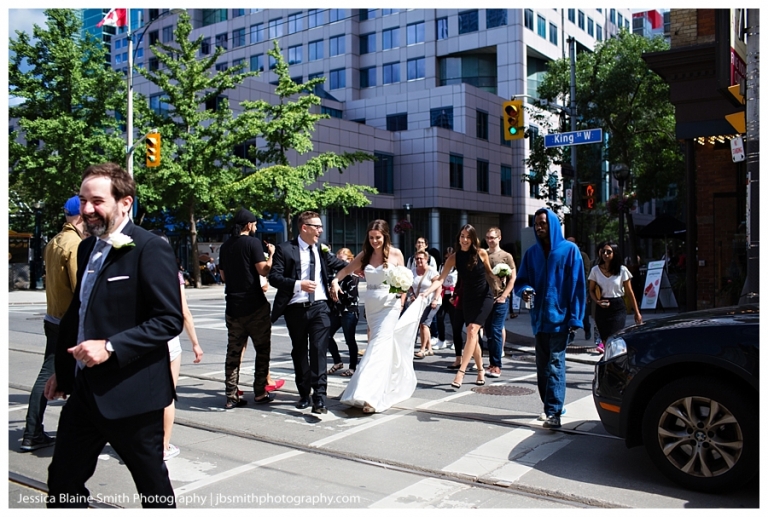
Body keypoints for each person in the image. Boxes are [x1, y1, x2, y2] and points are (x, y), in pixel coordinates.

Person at [44, 162, 183, 508]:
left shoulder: (151, 248)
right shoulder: (86, 248)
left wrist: (110, 346)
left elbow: (169, 319)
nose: (88, 209)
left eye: (97, 201)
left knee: (153, 488)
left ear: (125, 203)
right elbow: (77, 313)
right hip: (85, 392)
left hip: (133, 396)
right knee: (62, 480)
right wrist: (62, 372)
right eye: (83, 200)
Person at [330, 219, 427, 414]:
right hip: (372, 305)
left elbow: (404, 281)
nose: (375, 241)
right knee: (378, 346)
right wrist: (334, 281)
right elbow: (346, 270)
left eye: (378, 238)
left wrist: (401, 299)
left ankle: (371, 395)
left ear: (385, 237)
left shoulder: (396, 253)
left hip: (390, 305)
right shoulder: (365, 254)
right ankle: (373, 388)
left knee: (377, 347)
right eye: (371, 237)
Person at [20, 196, 85, 453]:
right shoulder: (76, 245)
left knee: (51, 373)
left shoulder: (54, 241)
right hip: (69, 322)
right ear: (81, 215)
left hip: (53, 317)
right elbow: (80, 289)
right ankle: (34, 432)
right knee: (67, 376)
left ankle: (32, 432)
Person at [513, 208, 586, 430]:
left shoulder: (569, 251)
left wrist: (575, 318)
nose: (539, 227)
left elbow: (578, 286)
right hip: (539, 320)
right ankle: (550, 406)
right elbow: (521, 281)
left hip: (560, 319)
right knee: (542, 366)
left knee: (556, 364)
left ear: (552, 223)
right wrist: (524, 289)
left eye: (543, 223)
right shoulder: (532, 253)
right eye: (536, 224)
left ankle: (554, 411)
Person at [269, 211, 347, 414]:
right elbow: (274, 278)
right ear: (304, 227)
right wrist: (298, 285)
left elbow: (339, 265)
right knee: (300, 352)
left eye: (321, 227)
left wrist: (362, 267)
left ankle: (319, 398)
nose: (320, 230)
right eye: (317, 226)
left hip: (320, 307)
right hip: (295, 309)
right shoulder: (285, 249)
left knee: (319, 351)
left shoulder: (320, 250)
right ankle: (304, 393)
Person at [150, 230, 204, 461]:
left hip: (142, 341)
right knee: (166, 396)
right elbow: (184, 312)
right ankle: (163, 446)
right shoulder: (174, 274)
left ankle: (142, 443)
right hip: (168, 341)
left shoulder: (135, 269)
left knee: (144, 395)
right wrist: (195, 343)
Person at [422, 224, 494, 389]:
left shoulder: (481, 253)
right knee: (472, 335)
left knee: (472, 331)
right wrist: (426, 292)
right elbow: (440, 279)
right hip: (467, 298)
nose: (464, 239)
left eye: (468, 236)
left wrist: (502, 280)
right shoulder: (453, 258)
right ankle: (481, 370)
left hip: (484, 297)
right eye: (462, 236)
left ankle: (460, 373)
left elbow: (489, 273)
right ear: (458, 237)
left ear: (473, 238)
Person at [218, 208, 276, 409]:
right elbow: (263, 270)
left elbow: (224, 277)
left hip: (233, 307)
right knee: (262, 350)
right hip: (255, 306)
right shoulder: (252, 243)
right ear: (248, 225)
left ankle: (231, 395)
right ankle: (259, 392)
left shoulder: (225, 247)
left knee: (233, 352)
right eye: (255, 223)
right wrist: (271, 255)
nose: (256, 227)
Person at [588, 242, 643, 353]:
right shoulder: (595, 270)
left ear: (615, 253)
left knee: (614, 337)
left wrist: (637, 312)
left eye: (609, 252)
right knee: (605, 340)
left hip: (617, 306)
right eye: (603, 251)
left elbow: (629, 292)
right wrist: (597, 302)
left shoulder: (622, 270)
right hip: (602, 307)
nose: (605, 254)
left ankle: (616, 362)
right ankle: (609, 363)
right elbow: (591, 290)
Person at [483, 227, 516, 379]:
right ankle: (491, 363)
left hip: (499, 299)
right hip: (485, 299)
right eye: (488, 237)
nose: (490, 240)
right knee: (489, 332)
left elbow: (512, 278)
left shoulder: (506, 256)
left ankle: (497, 365)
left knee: (496, 330)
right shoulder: (482, 254)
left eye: (493, 237)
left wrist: (505, 295)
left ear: (499, 238)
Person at [326, 248, 360, 377]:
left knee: (349, 339)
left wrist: (336, 292)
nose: (339, 264)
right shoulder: (335, 277)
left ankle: (352, 367)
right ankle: (337, 361)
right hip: (336, 311)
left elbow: (351, 296)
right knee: (327, 335)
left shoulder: (352, 277)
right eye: (337, 261)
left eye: (343, 261)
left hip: (349, 312)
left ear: (351, 261)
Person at [411, 250, 442, 358]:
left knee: (424, 323)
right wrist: (412, 294)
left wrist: (435, 299)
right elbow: (410, 285)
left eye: (421, 258)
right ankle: (429, 348)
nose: (419, 260)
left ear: (426, 259)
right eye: (417, 258)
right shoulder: (413, 271)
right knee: (423, 325)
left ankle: (422, 349)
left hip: (432, 301)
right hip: (420, 302)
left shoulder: (431, 272)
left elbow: (438, 285)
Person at [567, 237, 592, 341]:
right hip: (569, 289)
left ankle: (587, 328)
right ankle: (571, 334)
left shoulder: (582, 255)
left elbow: (587, 273)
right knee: (569, 314)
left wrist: (586, 292)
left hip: (581, 288)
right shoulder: (565, 255)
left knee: (583, 313)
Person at [434, 247, 456, 350]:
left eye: (450, 256)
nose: (448, 258)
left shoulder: (458, 267)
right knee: (440, 317)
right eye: (446, 256)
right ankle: (441, 339)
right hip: (443, 293)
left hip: (453, 294)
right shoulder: (441, 266)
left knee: (454, 319)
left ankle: (456, 341)